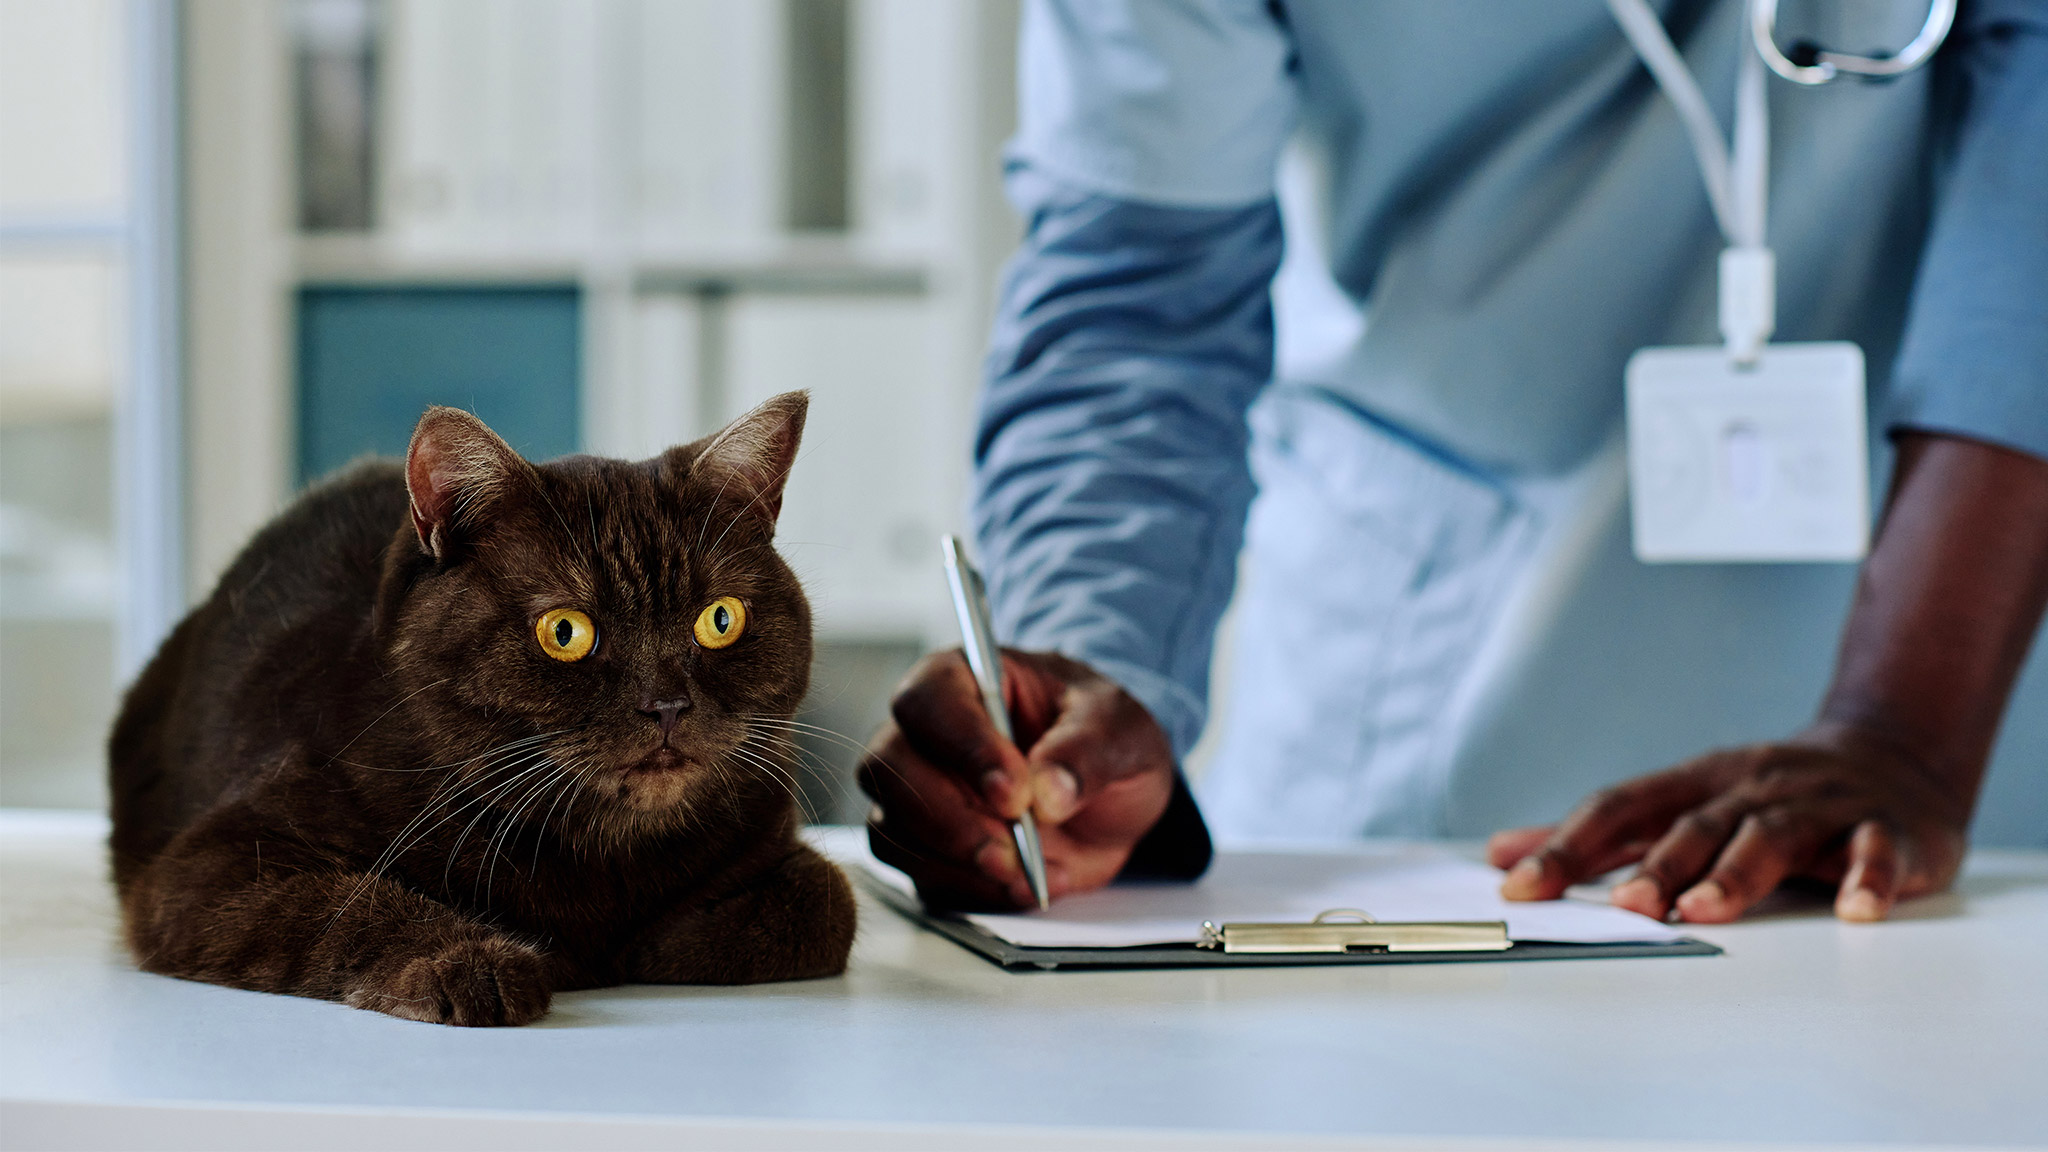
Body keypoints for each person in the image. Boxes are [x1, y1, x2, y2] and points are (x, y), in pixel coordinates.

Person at [858, 0, 2048, 923]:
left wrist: (1906, 728)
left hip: (1963, 743)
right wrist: (1082, 676)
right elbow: (1140, 286)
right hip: (1420, 737)